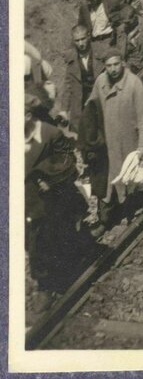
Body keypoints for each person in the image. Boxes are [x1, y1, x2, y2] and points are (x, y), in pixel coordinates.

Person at [25, 91, 95, 291]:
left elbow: (68, 160)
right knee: (31, 241)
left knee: (48, 237)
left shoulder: (49, 134)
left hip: (50, 196)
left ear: (29, 116)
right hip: (25, 200)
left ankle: (47, 285)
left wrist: (47, 175)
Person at [87, 48, 143, 230]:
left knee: (131, 178)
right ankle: (105, 220)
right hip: (107, 143)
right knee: (107, 181)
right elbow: (91, 109)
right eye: (109, 66)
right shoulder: (100, 82)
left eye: (116, 64)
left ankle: (134, 213)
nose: (113, 69)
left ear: (122, 63)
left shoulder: (134, 83)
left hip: (128, 142)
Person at [55, 25, 105, 132]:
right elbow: (68, 85)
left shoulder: (101, 51)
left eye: (83, 39)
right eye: (77, 41)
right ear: (73, 41)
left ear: (88, 36)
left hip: (100, 99)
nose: (81, 43)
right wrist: (64, 110)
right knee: (80, 135)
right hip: (80, 101)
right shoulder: (71, 58)